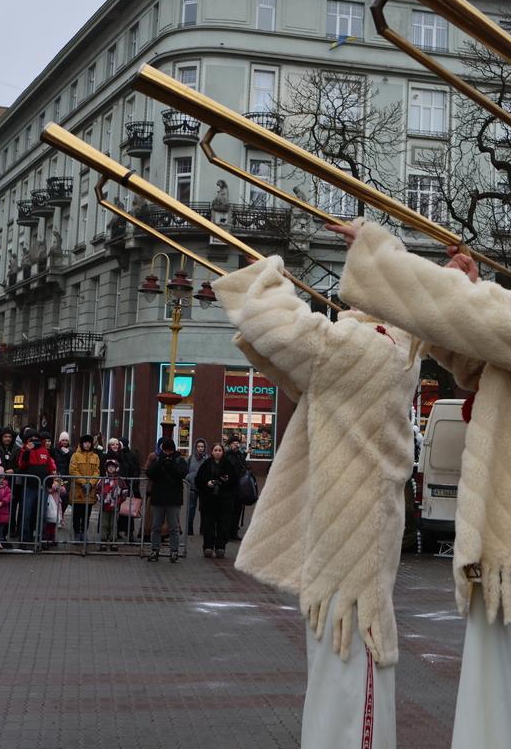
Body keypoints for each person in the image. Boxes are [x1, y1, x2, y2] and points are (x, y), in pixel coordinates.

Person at [328, 213, 511, 749]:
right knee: (498, 712)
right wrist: (465, 289)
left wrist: (382, 252)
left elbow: (486, 319)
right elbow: (478, 353)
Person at [216, 253, 421, 749]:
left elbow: (294, 335)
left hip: (352, 539)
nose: (348, 288)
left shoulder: (376, 346)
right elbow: (299, 364)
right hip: (339, 534)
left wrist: (266, 274)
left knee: (350, 671)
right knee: (333, 673)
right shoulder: (376, 343)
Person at [144, 438, 188, 563]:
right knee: (156, 526)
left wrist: (171, 465)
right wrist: (161, 463)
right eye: (165, 451)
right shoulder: (157, 459)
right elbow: (150, 474)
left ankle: (174, 551)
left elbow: (182, 474)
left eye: (170, 451)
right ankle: (154, 550)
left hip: (173, 498)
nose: (167, 453)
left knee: (173, 527)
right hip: (158, 497)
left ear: (173, 450)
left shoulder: (179, 460)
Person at [196, 443, 235, 557]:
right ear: (212, 452)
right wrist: (207, 483)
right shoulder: (206, 464)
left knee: (223, 525)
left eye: (220, 450)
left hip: (224, 501)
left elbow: (234, 481)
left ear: (223, 452)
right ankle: (208, 547)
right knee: (208, 525)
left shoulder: (228, 465)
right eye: (215, 450)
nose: (217, 452)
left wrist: (225, 481)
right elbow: (198, 480)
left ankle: (220, 547)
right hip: (209, 500)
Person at [16, 428, 53, 545]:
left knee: (42, 515)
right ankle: (24, 538)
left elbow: (50, 467)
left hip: (42, 486)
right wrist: (27, 451)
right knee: (27, 514)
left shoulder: (44, 451)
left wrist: (50, 482)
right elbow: (22, 465)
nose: (34, 440)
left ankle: (40, 539)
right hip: (29, 487)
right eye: (31, 438)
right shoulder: (24, 450)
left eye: (36, 438)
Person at [69, 435, 100, 544]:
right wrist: (83, 482)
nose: (87, 444)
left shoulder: (95, 456)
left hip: (90, 491)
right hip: (78, 490)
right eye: (85, 442)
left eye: (89, 443)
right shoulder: (75, 456)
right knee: (77, 514)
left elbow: (97, 471)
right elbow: (73, 470)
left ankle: (84, 532)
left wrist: (91, 483)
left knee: (87, 514)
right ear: (81, 443)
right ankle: (77, 532)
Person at [98, 458, 129, 551]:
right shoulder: (103, 480)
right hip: (105, 506)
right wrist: (101, 499)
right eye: (109, 467)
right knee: (104, 524)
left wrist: (120, 501)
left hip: (116, 506)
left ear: (116, 468)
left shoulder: (120, 480)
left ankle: (113, 541)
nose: (111, 468)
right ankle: (103, 541)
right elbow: (97, 490)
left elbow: (125, 491)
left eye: (113, 467)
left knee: (114, 524)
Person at [184, 438, 208, 544]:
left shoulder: (207, 459)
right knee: (191, 508)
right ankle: (189, 528)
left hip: (204, 488)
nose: (200, 448)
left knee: (204, 509)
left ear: (205, 448)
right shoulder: (191, 458)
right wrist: (188, 477)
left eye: (202, 447)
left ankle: (203, 528)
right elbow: (185, 469)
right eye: (198, 446)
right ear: (195, 447)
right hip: (192, 487)